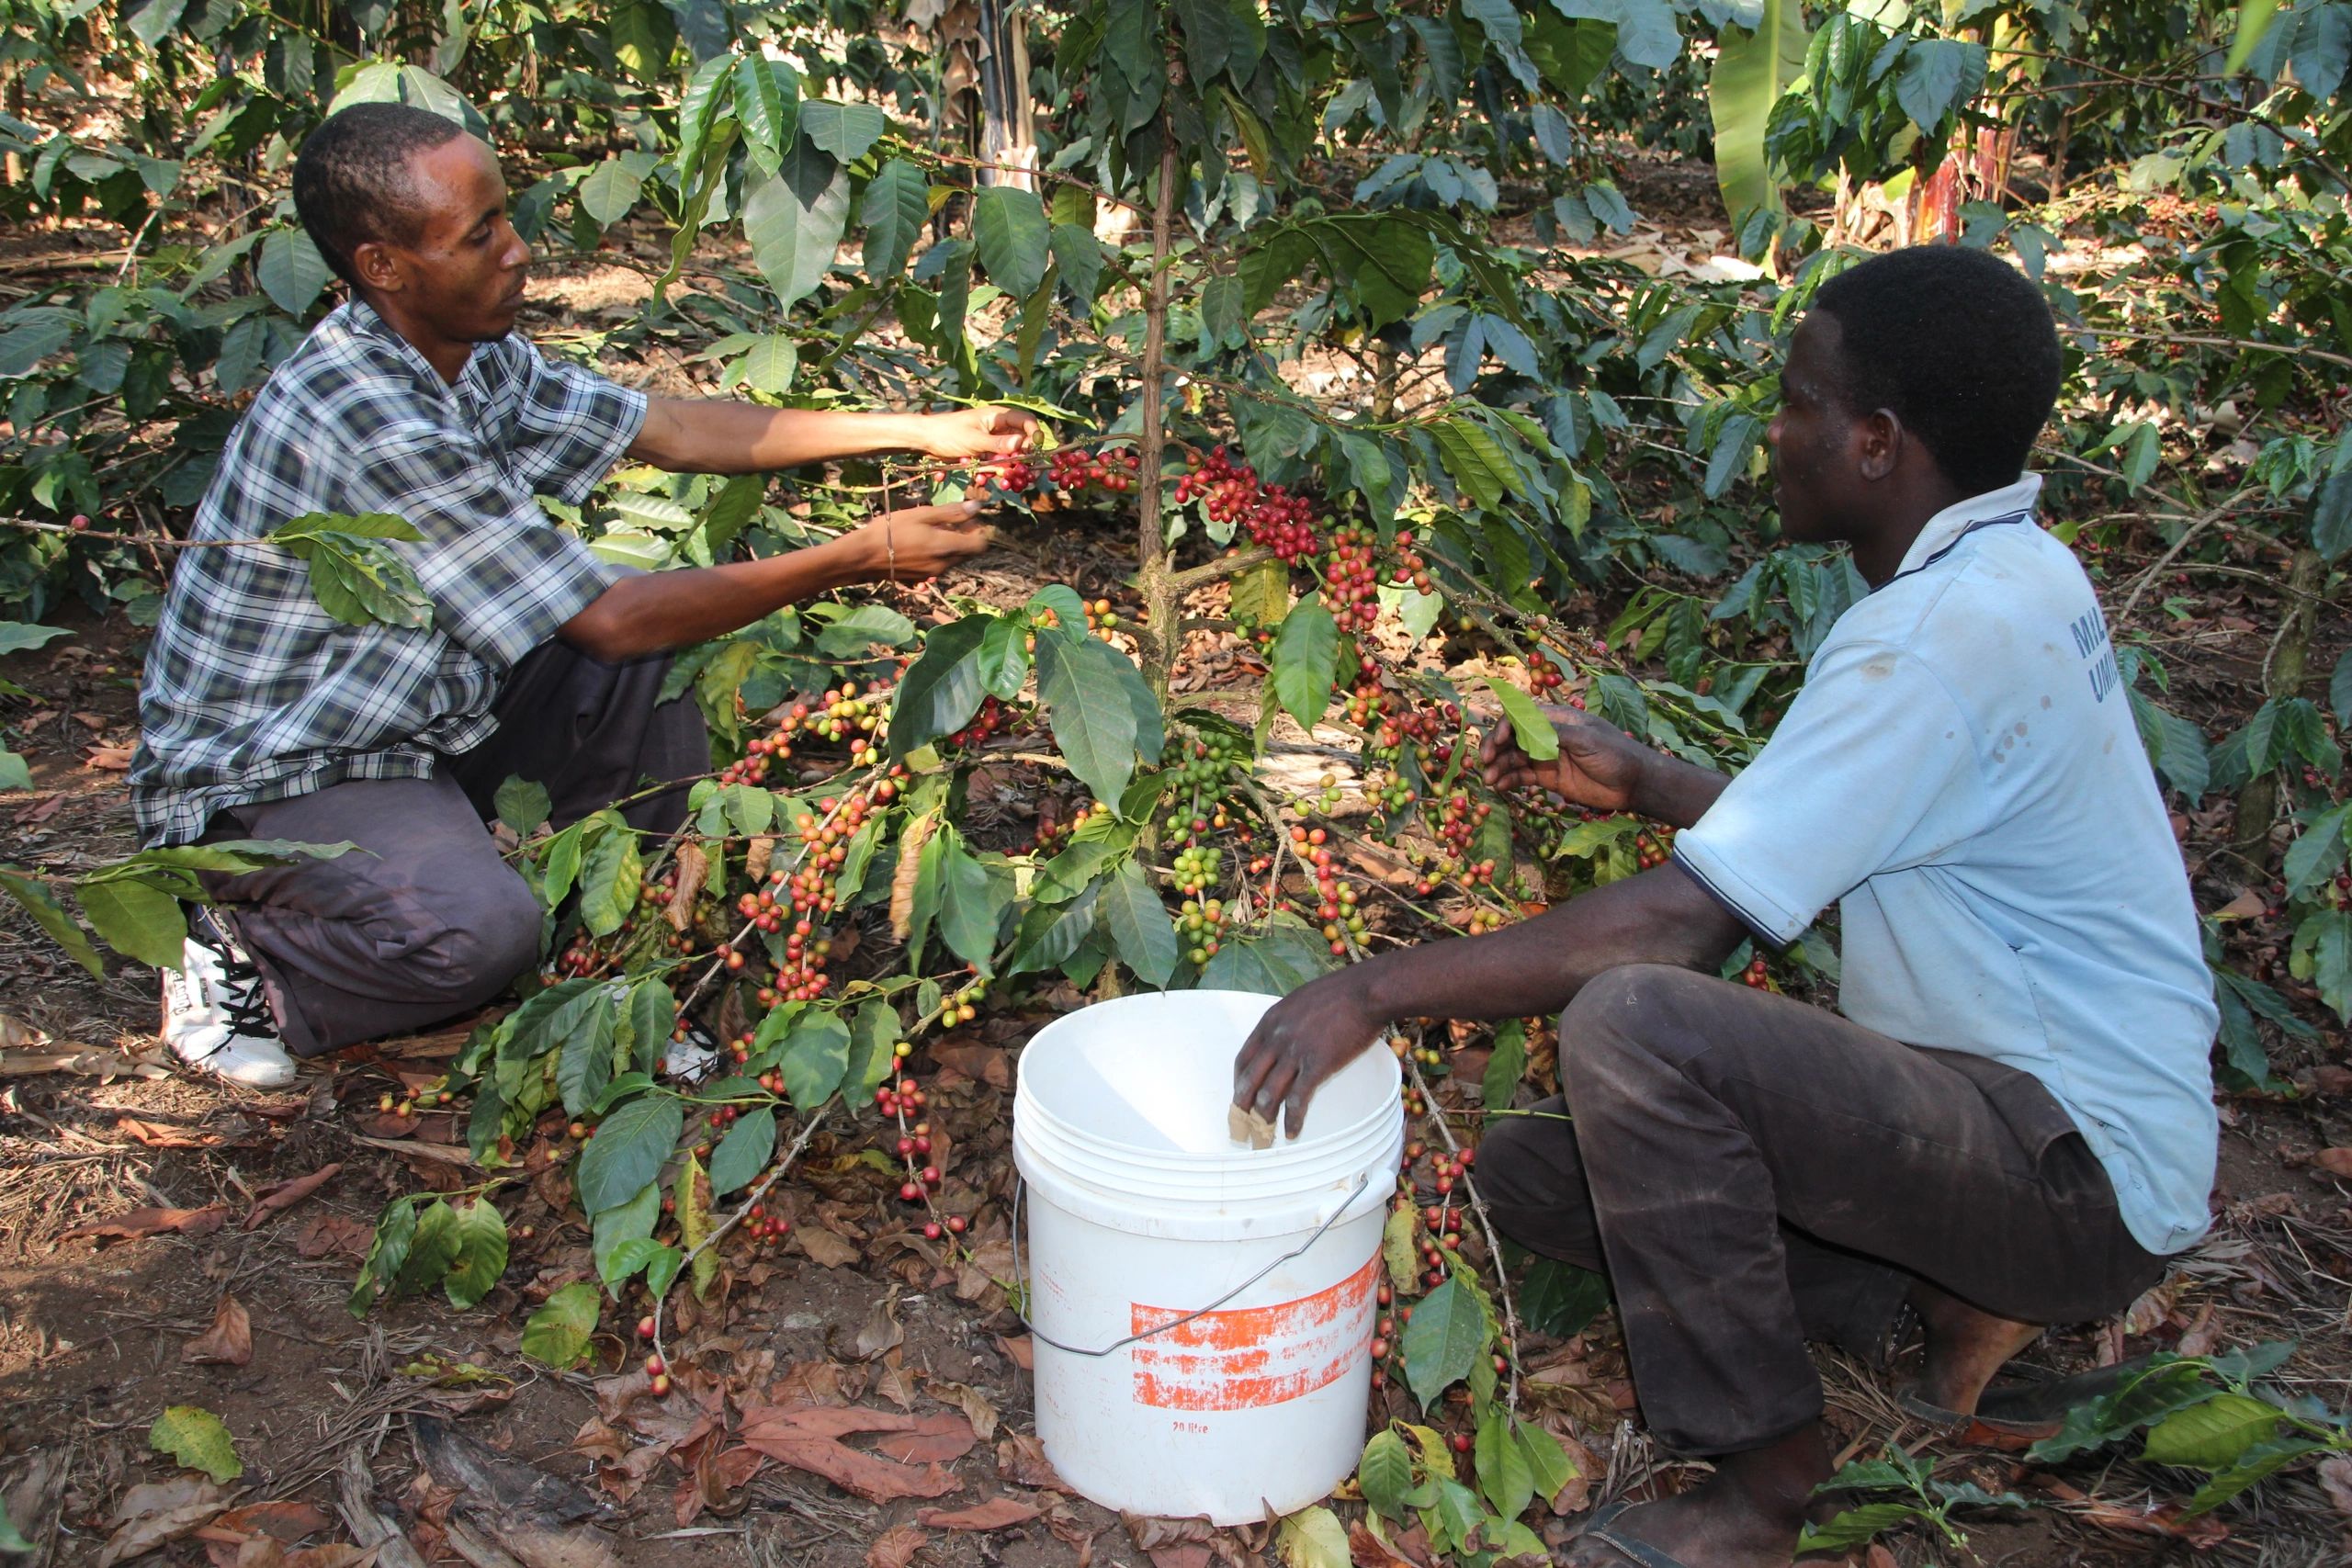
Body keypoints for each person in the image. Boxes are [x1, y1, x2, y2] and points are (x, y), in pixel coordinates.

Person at [1232, 245, 2218, 1568]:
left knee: (1640, 1028)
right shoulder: (2009, 570)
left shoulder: (1932, 636)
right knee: (1528, 1169)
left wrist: (1368, 985)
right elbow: (1875, 817)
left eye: (1800, 400)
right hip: (2025, 1114)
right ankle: (1935, 1300)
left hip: (2073, 1173)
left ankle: (1768, 1485)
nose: (1775, 425)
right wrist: (1651, 781)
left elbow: (1675, 931)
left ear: (1874, 442)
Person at [133, 101, 1036, 1090]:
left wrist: (919, 430)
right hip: (281, 775)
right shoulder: (369, 409)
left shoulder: (468, 354)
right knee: (478, 931)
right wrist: (853, 557)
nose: (517, 252)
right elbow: (608, 621)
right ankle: (244, 955)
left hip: (420, 720)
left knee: (656, 668)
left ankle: (606, 965)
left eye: (505, 218)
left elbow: (678, 431)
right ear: (384, 266)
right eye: (478, 236)